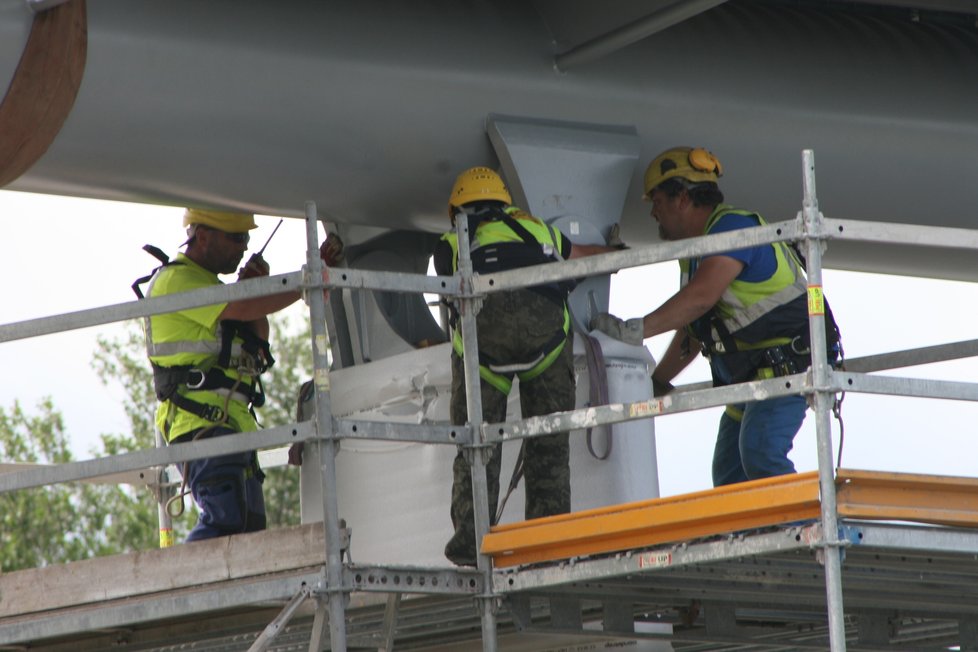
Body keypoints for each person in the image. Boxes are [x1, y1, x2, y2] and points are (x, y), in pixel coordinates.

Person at [593, 147, 840, 487]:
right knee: (729, 475)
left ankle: (804, 532)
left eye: (657, 200)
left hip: (790, 364)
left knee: (761, 455)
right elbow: (698, 330)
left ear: (682, 197)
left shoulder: (732, 227)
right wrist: (658, 381)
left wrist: (634, 330)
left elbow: (700, 298)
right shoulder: (698, 251)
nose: (652, 211)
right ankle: (753, 538)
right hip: (750, 376)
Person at [434, 167, 623, 566]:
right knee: (549, 446)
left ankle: (472, 539)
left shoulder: (451, 243)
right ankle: (547, 542)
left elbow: (452, 290)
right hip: (548, 346)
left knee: (476, 445)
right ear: (506, 203)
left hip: (483, 354)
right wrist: (617, 253)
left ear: (457, 211)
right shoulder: (540, 231)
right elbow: (587, 260)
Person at [142, 208, 341, 541]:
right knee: (226, 520)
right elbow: (247, 308)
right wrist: (306, 281)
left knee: (249, 527)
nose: (244, 247)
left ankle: (223, 591)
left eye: (246, 238)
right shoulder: (178, 281)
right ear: (202, 236)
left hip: (229, 425)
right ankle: (185, 584)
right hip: (201, 425)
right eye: (236, 238)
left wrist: (254, 288)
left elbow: (258, 339)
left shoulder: (214, 289)